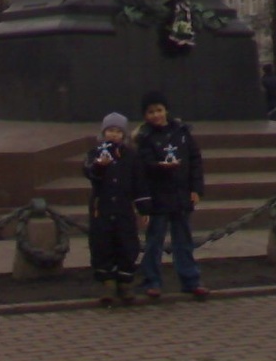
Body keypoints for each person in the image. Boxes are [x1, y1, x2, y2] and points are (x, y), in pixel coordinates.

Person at [135, 91, 208, 299]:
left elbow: (195, 161)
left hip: (181, 195)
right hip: (157, 198)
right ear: (145, 116)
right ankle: (152, 281)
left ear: (166, 110)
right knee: (154, 242)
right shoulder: (145, 138)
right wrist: (160, 167)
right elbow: (144, 167)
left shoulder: (182, 133)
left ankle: (191, 280)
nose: (156, 115)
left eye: (159, 110)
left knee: (184, 241)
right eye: (150, 112)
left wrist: (196, 188)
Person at [83, 111, 148, 304]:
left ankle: (125, 281)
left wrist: (144, 207)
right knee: (102, 244)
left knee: (127, 243)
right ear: (103, 133)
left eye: (118, 131)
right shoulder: (95, 153)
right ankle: (108, 283)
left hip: (123, 208)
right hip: (101, 208)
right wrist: (100, 167)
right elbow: (89, 173)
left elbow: (139, 182)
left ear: (124, 134)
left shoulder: (131, 156)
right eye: (110, 130)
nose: (113, 134)